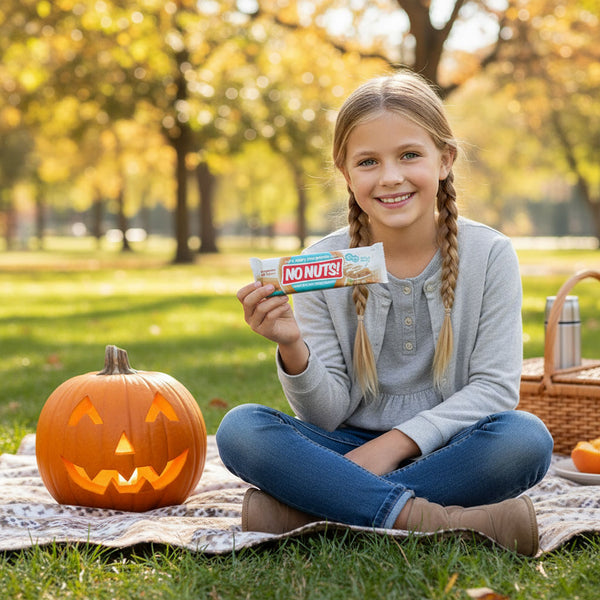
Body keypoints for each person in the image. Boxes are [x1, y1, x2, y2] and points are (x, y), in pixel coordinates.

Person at [216, 70, 553, 556]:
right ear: (346, 173)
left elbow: (495, 390)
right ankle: (430, 520)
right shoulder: (321, 267)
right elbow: (325, 415)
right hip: (344, 449)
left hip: (451, 449)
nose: (390, 177)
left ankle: (307, 510)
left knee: (524, 439)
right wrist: (293, 346)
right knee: (242, 429)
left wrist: (394, 446)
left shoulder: (490, 254)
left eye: (409, 155)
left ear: (445, 159)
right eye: (369, 161)